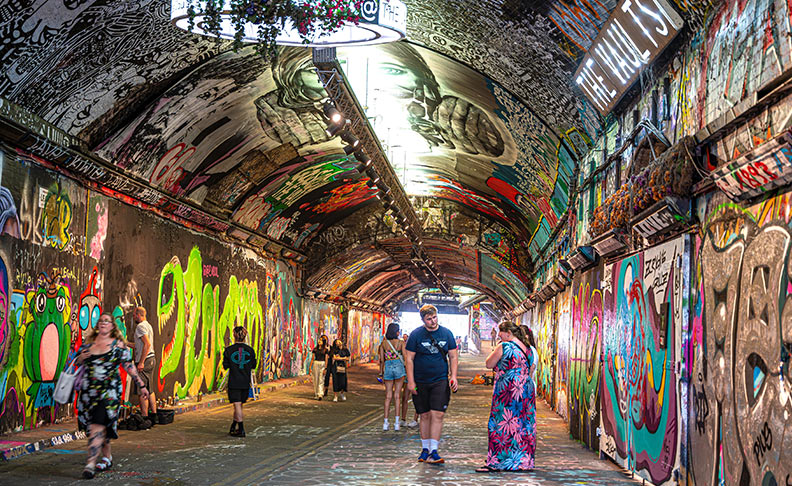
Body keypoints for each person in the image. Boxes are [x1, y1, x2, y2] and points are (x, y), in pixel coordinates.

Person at [75, 314, 149, 479]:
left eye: (107, 321)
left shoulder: (118, 346)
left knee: (97, 425)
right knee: (99, 427)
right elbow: (76, 363)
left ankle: (90, 463)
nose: (103, 323)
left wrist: (141, 385)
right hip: (88, 395)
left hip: (108, 394)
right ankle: (107, 457)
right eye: (101, 321)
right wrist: (81, 358)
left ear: (112, 327)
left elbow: (129, 366)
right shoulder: (88, 345)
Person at [477, 321, 536, 473]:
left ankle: (497, 461)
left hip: (508, 389)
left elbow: (489, 363)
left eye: (500, 333)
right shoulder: (528, 349)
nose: (499, 336)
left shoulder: (504, 346)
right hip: (526, 388)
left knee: (501, 423)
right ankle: (523, 461)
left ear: (508, 333)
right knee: (523, 424)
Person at [405, 304, 458, 464]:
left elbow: (453, 356)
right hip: (420, 380)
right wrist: (411, 381)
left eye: (434, 317)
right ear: (423, 320)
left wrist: (454, 376)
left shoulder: (446, 333)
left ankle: (434, 450)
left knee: (438, 414)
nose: (433, 321)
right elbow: (409, 359)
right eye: (429, 319)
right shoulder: (416, 335)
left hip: (440, 379)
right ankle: (425, 448)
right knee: (424, 415)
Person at [223, 326, 256, 438]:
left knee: (237, 405)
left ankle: (241, 429)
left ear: (234, 335)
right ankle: (233, 426)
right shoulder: (250, 351)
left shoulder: (229, 350)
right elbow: (253, 365)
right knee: (239, 405)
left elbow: (225, 366)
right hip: (245, 382)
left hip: (234, 381)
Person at [128, 306, 157, 426]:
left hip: (145, 360)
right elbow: (140, 345)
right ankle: (154, 416)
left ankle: (144, 418)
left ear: (139, 315)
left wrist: (141, 362)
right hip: (151, 359)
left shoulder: (140, 327)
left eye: (134, 315)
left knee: (142, 391)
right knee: (149, 389)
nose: (133, 317)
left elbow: (147, 344)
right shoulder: (148, 326)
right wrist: (126, 344)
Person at [378, 323, 406, 430]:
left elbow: (381, 360)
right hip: (399, 367)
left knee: (388, 396)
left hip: (388, 368)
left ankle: (385, 423)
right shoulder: (401, 343)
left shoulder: (383, 344)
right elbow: (405, 356)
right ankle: (397, 423)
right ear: (397, 332)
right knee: (397, 396)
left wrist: (381, 372)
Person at [399, 333, 418, 428]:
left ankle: (415, 419)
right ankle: (403, 419)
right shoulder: (406, 348)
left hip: (418, 375)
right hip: (408, 375)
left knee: (418, 397)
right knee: (405, 397)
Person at [311, 335, 330, 400]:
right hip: (316, 363)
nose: (319, 341)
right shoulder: (315, 349)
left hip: (322, 363)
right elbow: (312, 358)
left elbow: (326, 359)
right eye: (319, 340)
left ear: (323, 342)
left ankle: (320, 394)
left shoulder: (325, 350)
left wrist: (326, 368)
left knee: (321, 379)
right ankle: (316, 393)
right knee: (315, 379)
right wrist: (310, 366)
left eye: (321, 340)